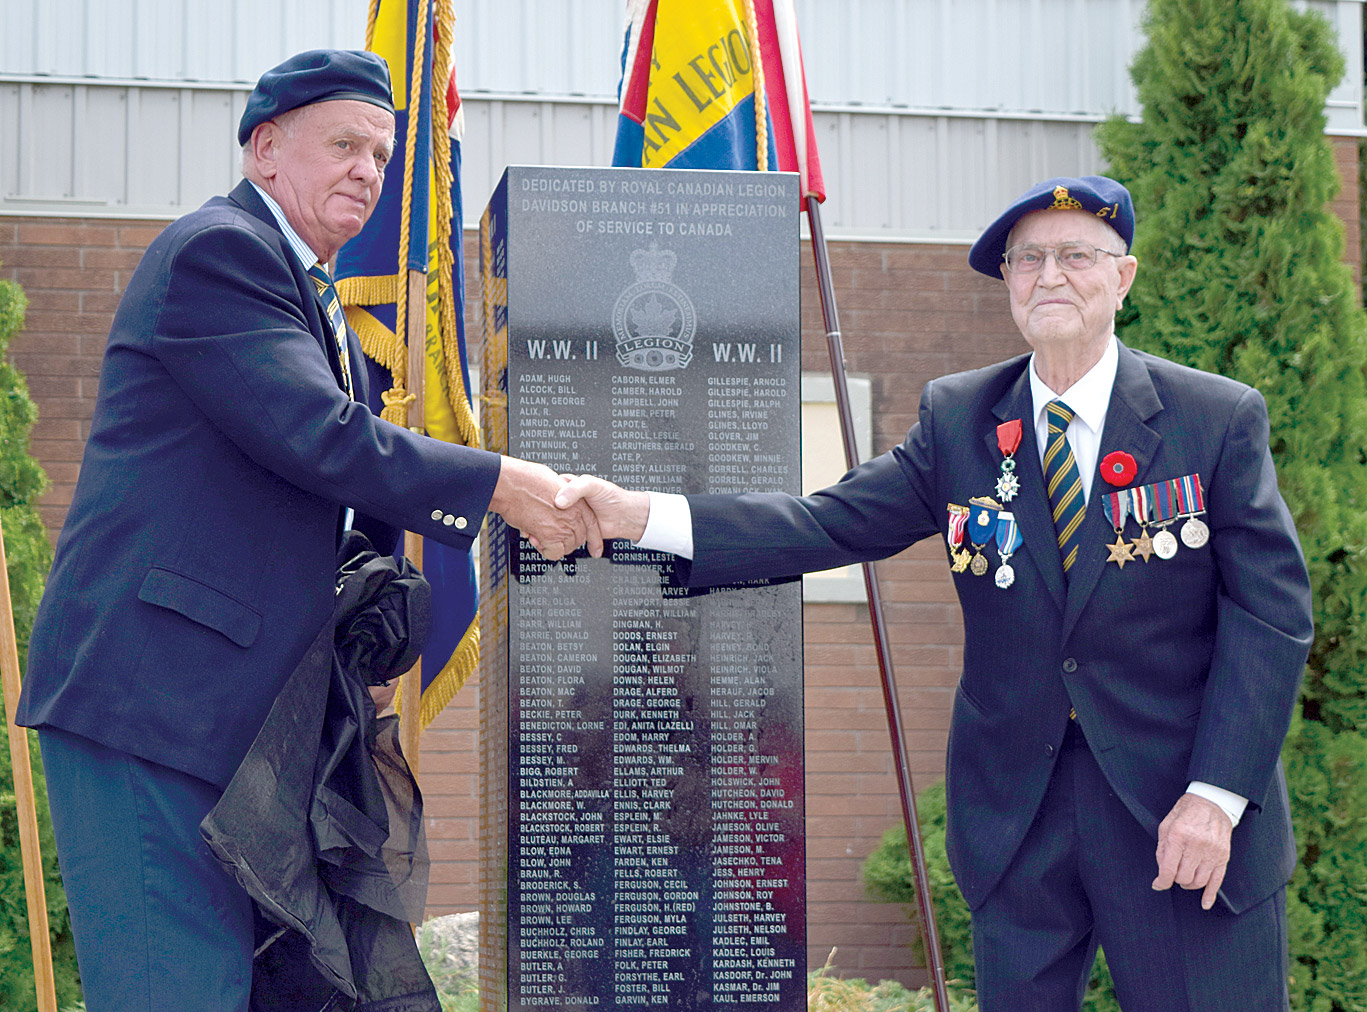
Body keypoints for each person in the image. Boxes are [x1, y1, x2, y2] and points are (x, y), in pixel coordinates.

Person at [556, 176, 1314, 1011]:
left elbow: (1269, 617)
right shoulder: (961, 418)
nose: (1048, 276)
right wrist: (640, 515)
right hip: (1017, 819)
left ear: (1122, 277)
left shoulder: (1213, 418)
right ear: (1006, 284)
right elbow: (825, 524)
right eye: (1026, 260)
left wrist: (1215, 796)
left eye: (1074, 256)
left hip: (1179, 815)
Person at [15, 50, 599, 1010]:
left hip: (241, 720)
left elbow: (328, 486)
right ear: (265, 148)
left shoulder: (313, 299)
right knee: (177, 991)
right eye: (343, 144)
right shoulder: (222, 255)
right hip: (157, 704)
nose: (369, 171)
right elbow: (320, 437)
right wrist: (501, 484)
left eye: (380, 153)